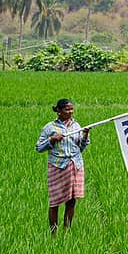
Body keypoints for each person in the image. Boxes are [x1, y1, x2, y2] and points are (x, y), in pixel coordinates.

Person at [36, 99, 91, 234]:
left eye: (72, 109)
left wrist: (85, 134)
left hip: (75, 165)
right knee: (55, 202)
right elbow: (39, 147)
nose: (70, 112)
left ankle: (67, 231)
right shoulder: (50, 127)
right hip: (57, 166)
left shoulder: (76, 126)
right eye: (67, 109)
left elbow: (81, 147)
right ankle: (53, 233)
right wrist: (52, 140)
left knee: (72, 200)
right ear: (59, 111)